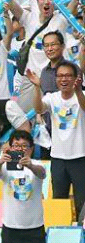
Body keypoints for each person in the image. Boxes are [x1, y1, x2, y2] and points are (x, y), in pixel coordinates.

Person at [29, 60, 85, 220]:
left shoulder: (82, 96)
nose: (64, 79)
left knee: (82, 203)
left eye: (68, 75)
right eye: (60, 76)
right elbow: (39, 109)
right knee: (59, 201)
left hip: (80, 157)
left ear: (76, 78)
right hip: (58, 158)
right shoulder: (51, 98)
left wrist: (79, 91)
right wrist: (36, 87)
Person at [0, 130, 47, 243]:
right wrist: (0, 161)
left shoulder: (37, 164)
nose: (20, 149)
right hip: (11, 228)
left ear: (31, 148)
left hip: (34, 228)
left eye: (24, 146)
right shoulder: (5, 166)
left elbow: (42, 173)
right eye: (16, 145)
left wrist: (30, 166)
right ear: (10, 147)